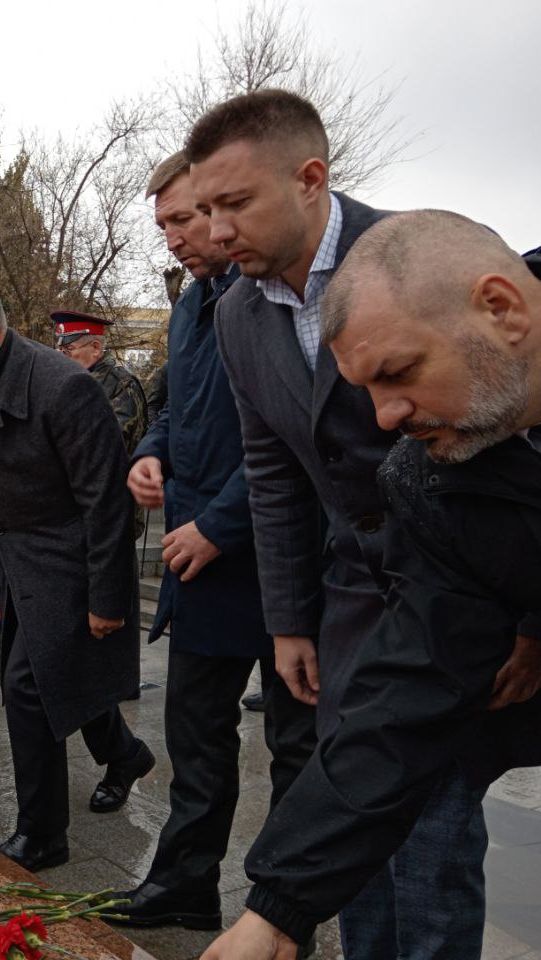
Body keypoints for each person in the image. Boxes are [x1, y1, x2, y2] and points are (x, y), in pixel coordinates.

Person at [202, 216, 541, 958]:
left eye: (398, 373)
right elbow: (409, 690)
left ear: (501, 308)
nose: (385, 418)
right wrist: (277, 910)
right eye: (365, 389)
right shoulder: (435, 480)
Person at [187, 89, 499, 957]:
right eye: (205, 208)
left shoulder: (418, 258)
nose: (214, 232)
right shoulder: (237, 313)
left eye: (234, 204)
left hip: (459, 594)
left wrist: (538, 621)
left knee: (431, 834)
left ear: (311, 179)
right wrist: (289, 617)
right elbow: (273, 470)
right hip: (349, 601)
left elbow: (506, 446)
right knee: (352, 828)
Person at [111, 151, 315, 933]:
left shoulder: (272, 295)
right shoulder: (194, 305)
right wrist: (149, 453)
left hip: (277, 559)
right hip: (200, 560)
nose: (172, 238)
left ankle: (284, 907)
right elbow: (177, 406)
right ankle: (186, 885)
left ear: (223, 209)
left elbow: (285, 434)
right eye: (162, 223)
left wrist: (221, 526)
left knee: (295, 742)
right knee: (195, 732)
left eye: (182, 219)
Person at [0, 273, 153, 871]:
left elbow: (107, 502)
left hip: (69, 561)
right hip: (12, 559)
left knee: (26, 690)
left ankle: (43, 834)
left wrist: (109, 597)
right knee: (53, 680)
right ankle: (125, 754)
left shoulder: (64, 388)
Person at [51, 311, 148, 454]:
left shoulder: (122, 385)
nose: (63, 358)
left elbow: (114, 445)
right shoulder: (70, 380)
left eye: (68, 350)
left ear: (95, 348)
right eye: (61, 351)